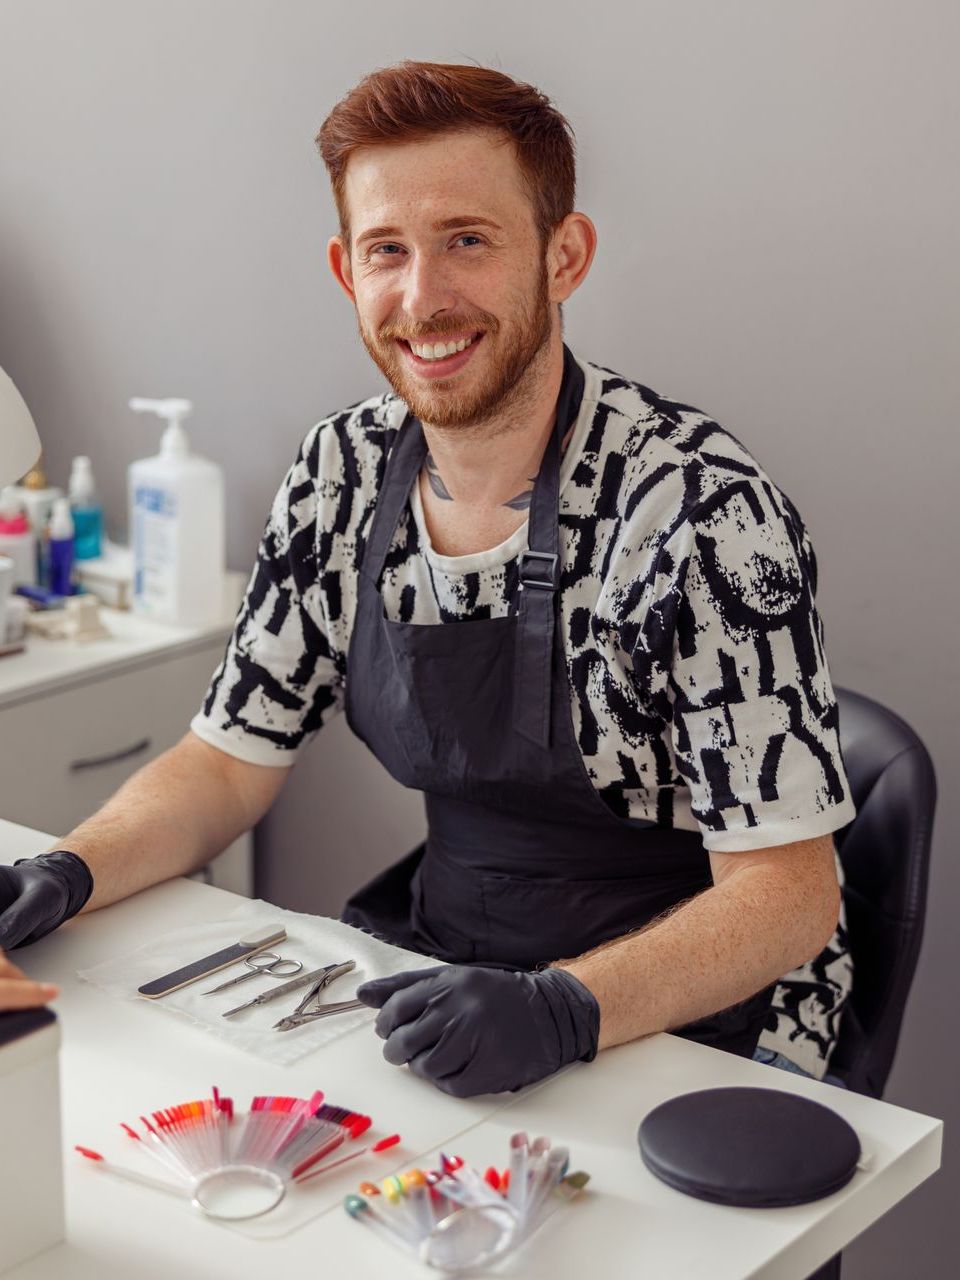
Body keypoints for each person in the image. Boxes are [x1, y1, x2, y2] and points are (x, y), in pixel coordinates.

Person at [0, 61, 857, 1095]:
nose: (423, 297)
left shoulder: (704, 509)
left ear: (564, 254)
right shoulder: (339, 473)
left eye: (468, 239)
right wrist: (68, 868)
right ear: (344, 270)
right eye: (387, 251)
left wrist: (564, 1005)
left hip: (697, 1014)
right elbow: (227, 763)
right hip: (449, 969)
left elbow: (788, 893)